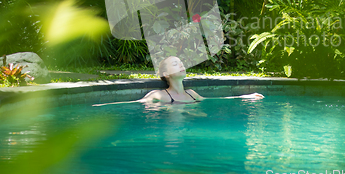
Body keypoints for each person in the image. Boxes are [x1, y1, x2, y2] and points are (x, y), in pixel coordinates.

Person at [93, 56, 264, 106]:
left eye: (182, 62)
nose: (182, 64)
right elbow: (133, 103)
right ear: (166, 73)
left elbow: (214, 101)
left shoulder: (192, 94)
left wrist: (246, 96)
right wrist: (102, 105)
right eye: (176, 64)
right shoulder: (160, 96)